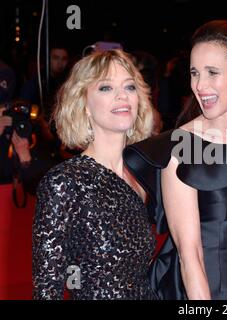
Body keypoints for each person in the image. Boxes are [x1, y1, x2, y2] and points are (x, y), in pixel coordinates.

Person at [123, 20, 227, 299]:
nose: (200, 85)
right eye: (194, 73)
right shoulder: (182, 146)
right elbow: (190, 256)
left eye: (213, 72)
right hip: (201, 288)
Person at [32, 49, 157, 299]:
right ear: (84, 105)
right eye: (106, 88)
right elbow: (47, 289)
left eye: (129, 87)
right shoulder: (65, 182)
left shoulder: (144, 175)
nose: (122, 96)